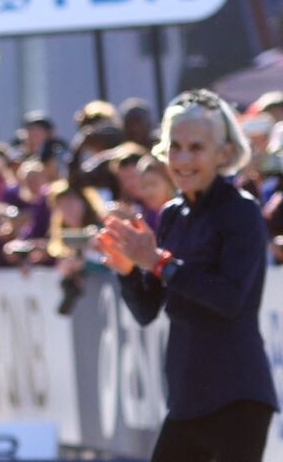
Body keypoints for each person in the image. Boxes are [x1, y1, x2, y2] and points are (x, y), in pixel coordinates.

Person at [96, 89, 279, 462]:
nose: (182, 159)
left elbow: (229, 299)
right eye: (175, 147)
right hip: (186, 399)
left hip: (238, 397)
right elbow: (147, 310)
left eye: (196, 148)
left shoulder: (241, 211)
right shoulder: (171, 215)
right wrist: (127, 270)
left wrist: (158, 262)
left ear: (223, 153)